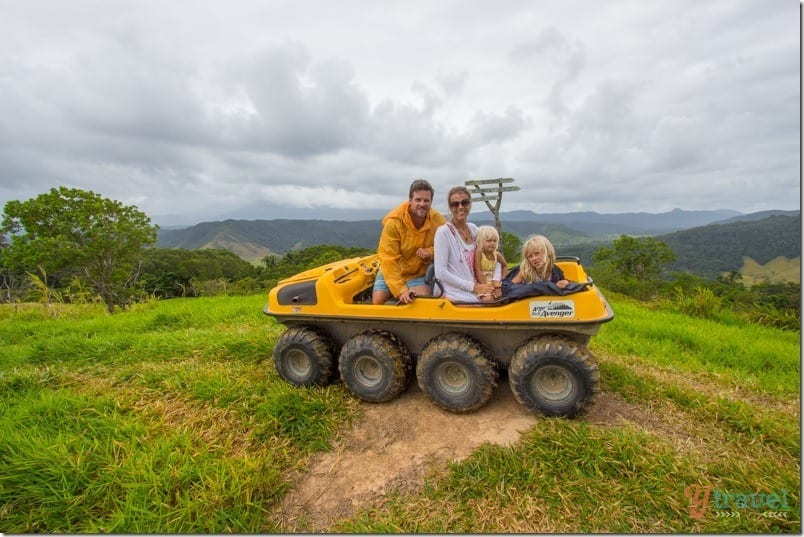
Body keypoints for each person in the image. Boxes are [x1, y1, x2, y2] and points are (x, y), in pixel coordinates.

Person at [372, 179, 446, 304]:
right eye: (418, 200)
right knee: (378, 302)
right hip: (395, 269)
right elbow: (388, 258)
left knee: (421, 302)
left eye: (426, 200)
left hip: (419, 271)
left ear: (431, 202)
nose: (422, 204)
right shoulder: (394, 222)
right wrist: (401, 290)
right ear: (410, 200)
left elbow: (446, 245)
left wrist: (430, 252)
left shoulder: (438, 220)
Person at [433, 186, 494, 302]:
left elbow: (491, 254)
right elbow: (440, 272)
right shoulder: (443, 232)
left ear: (470, 205)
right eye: (455, 204)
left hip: (477, 285)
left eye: (464, 203)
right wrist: (473, 287)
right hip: (455, 290)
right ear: (450, 208)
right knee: (491, 302)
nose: (460, 207)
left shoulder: (474, 229)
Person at [473, 225, 508, 301]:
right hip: (482, 283)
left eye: (494, 241)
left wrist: (502, 280)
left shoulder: (496, 254)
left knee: (504, 297)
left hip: (494, 283)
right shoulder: (479, 252)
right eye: (489, 241)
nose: (492, 243)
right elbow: (477, 269)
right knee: (488, 299)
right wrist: (486, 286)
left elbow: (504, 265)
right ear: (481, 241)